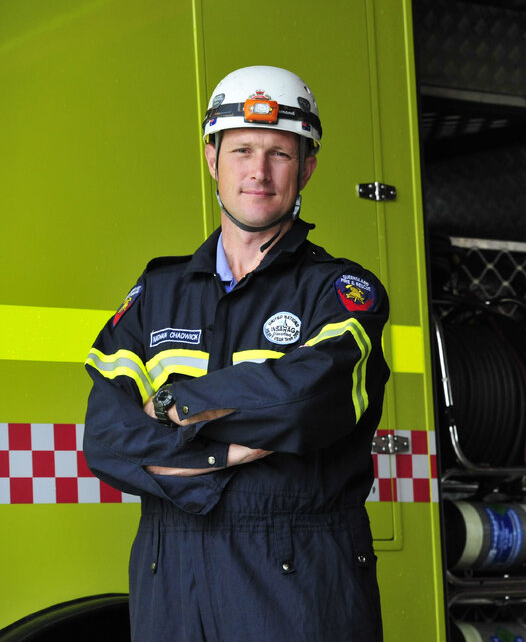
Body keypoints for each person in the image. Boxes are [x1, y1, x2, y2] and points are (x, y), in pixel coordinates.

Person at [83, 65, 389, 642]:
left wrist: (173, 401)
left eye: (279, 153)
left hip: (294, 575)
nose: (259, 171)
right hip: (168, 576)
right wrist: (222, 457)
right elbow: (105, 437)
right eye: (243, 148)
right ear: (212, 159)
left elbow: (305, 400)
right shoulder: (158, 292)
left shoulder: (341, 292)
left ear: (308, 167)